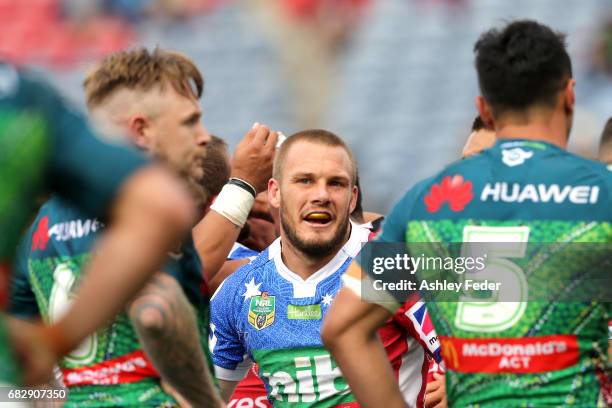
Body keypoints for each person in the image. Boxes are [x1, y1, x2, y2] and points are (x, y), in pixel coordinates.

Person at [323, 20, 611, 407]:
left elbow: (344, 328)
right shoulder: (602, 193)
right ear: (570, 96)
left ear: (484, 108)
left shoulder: (424, 203)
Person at [9, 48, 226, 407]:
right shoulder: (153, 215)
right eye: (190, 122)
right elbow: (155, 312)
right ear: (141, 130)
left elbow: (18, 364)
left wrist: (59, 399)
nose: (203, 136)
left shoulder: (39, 227)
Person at [210, 130, 444, 407]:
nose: (321, 195)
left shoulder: (394, 262)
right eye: (305, 180)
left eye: (336, 183)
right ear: (275, 192)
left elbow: (501, 285)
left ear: (353, 198)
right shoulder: (240, 287)